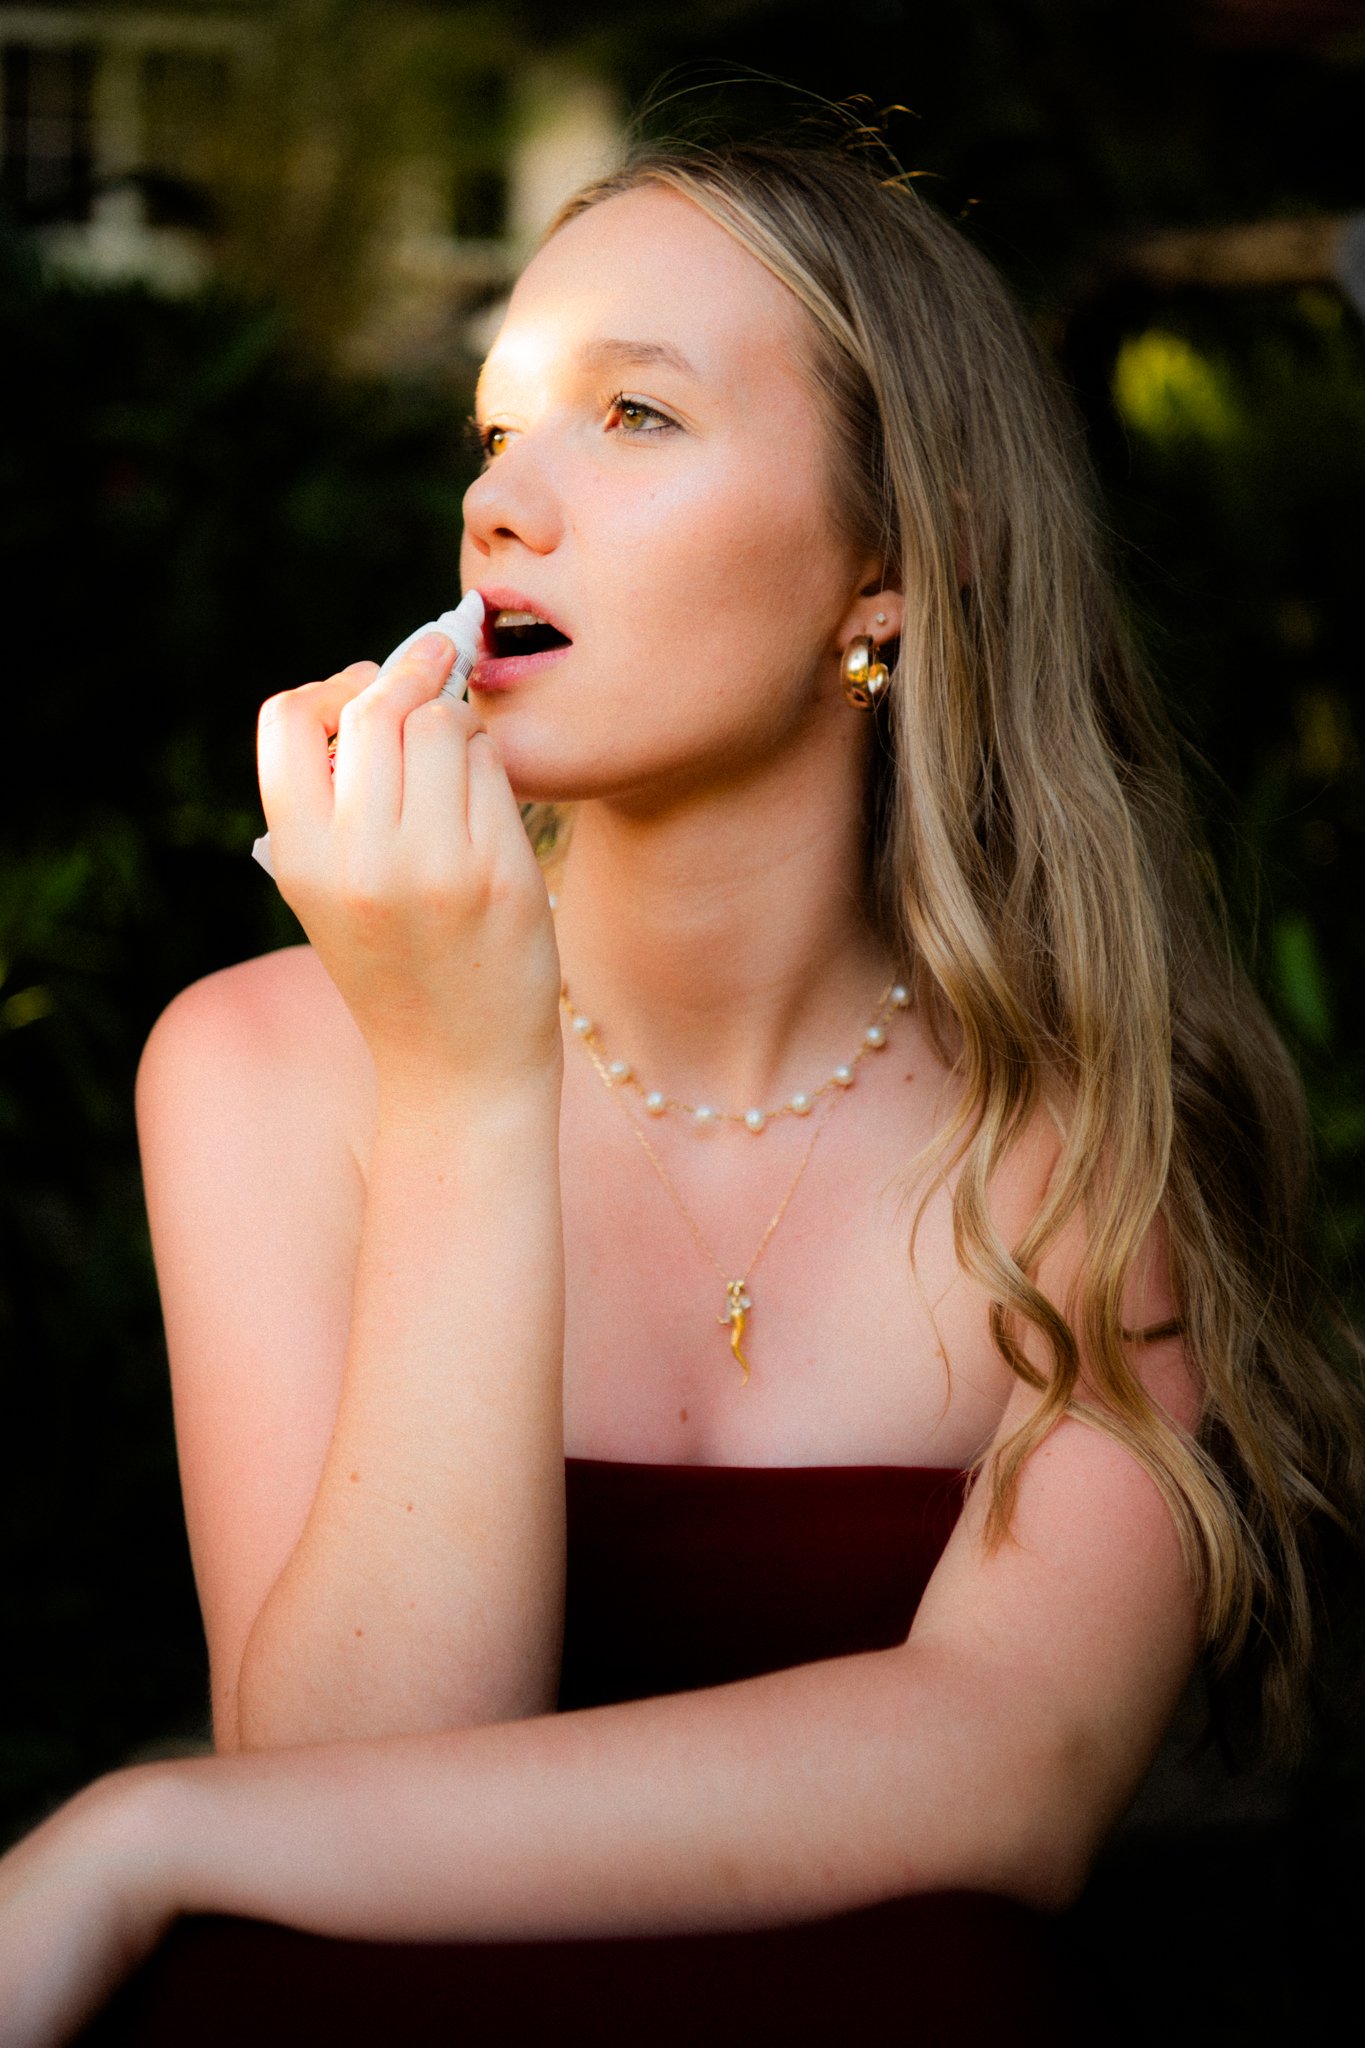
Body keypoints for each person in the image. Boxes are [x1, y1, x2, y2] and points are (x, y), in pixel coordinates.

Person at [1, 134, 1361, 2048]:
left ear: (890, 568)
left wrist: (138, 1832)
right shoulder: (257, 1067)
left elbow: (1014, 1777)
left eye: (632, 414)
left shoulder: (1108, 1136)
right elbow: (347, 1783)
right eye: (495, 432)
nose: (498, 504)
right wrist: (463, 1083)